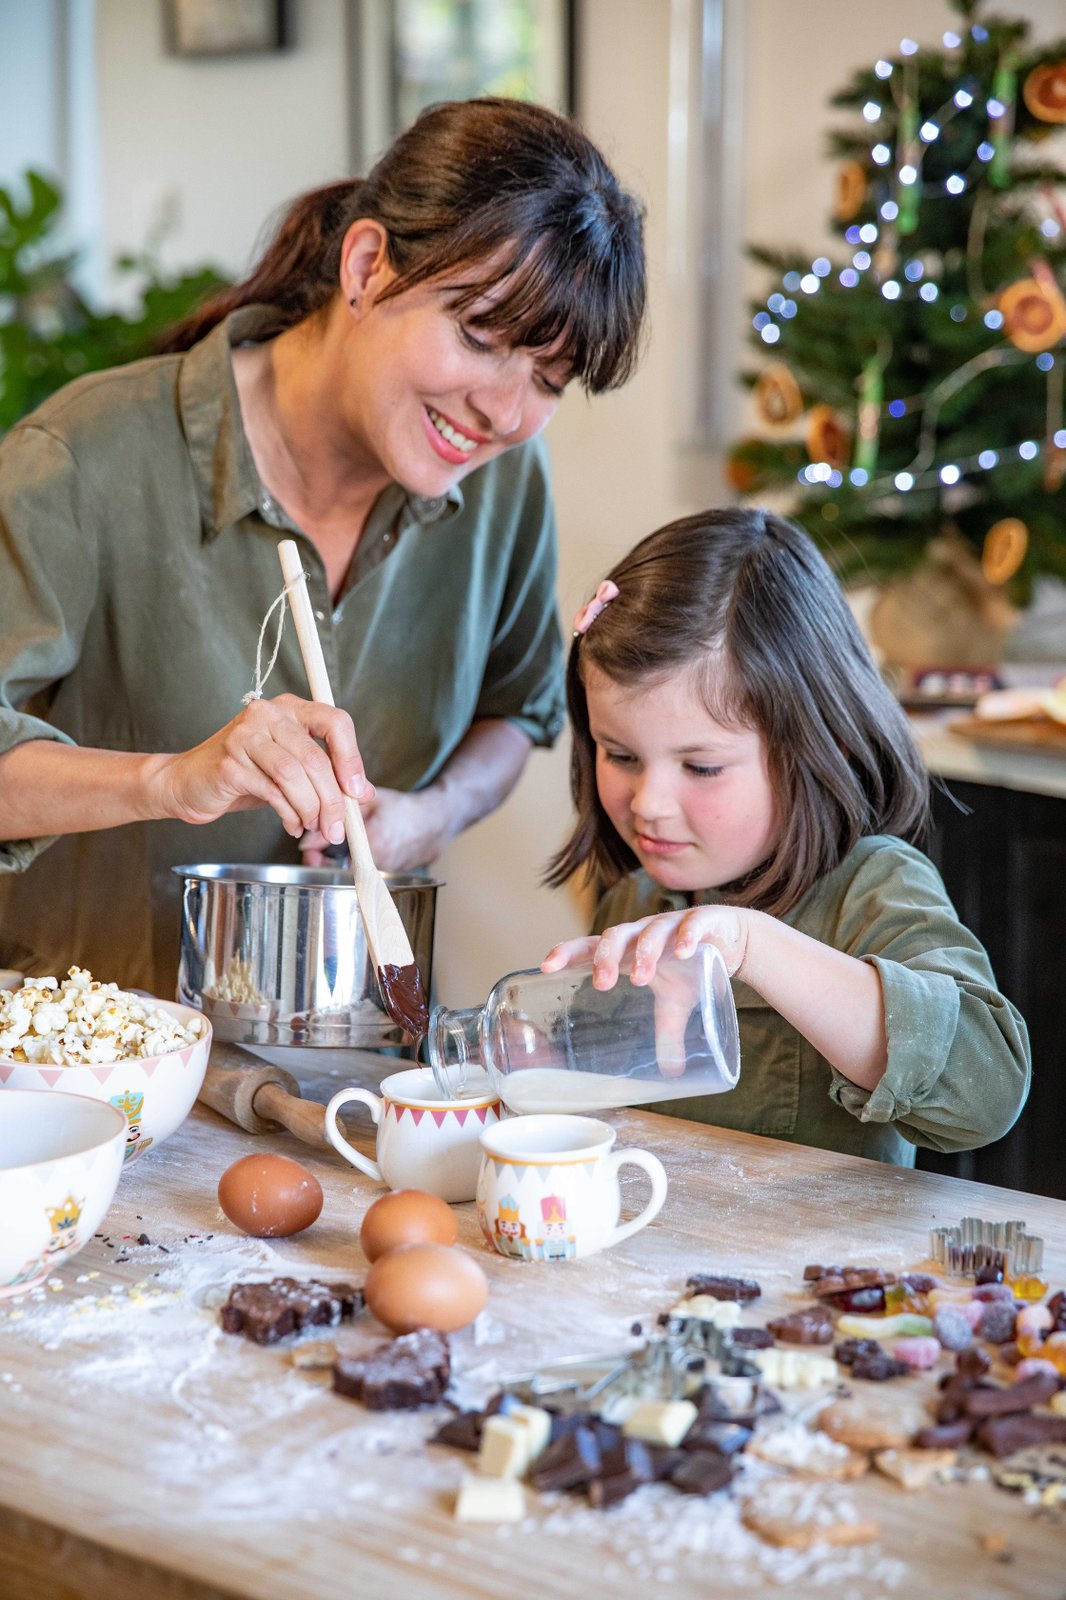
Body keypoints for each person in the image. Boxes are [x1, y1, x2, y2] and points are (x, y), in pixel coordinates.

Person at [0, 98, 646, 994]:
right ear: (368, 265)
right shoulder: (84, 458)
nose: (503, 412)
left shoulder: (502, 479)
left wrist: (432, 812)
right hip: (94, 1067)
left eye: (547, 378)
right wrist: (169, 780)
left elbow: (519, 705)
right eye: (478, 335)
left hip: (354, 1054)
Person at [541, 509, 1030, 1165]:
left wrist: (753, 945)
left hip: (820, 1268)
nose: (649, 804)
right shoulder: (635, 903)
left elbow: (988, 1094)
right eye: (620, 755)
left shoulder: (874, 886)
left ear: (811, 747)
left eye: (701, 766)